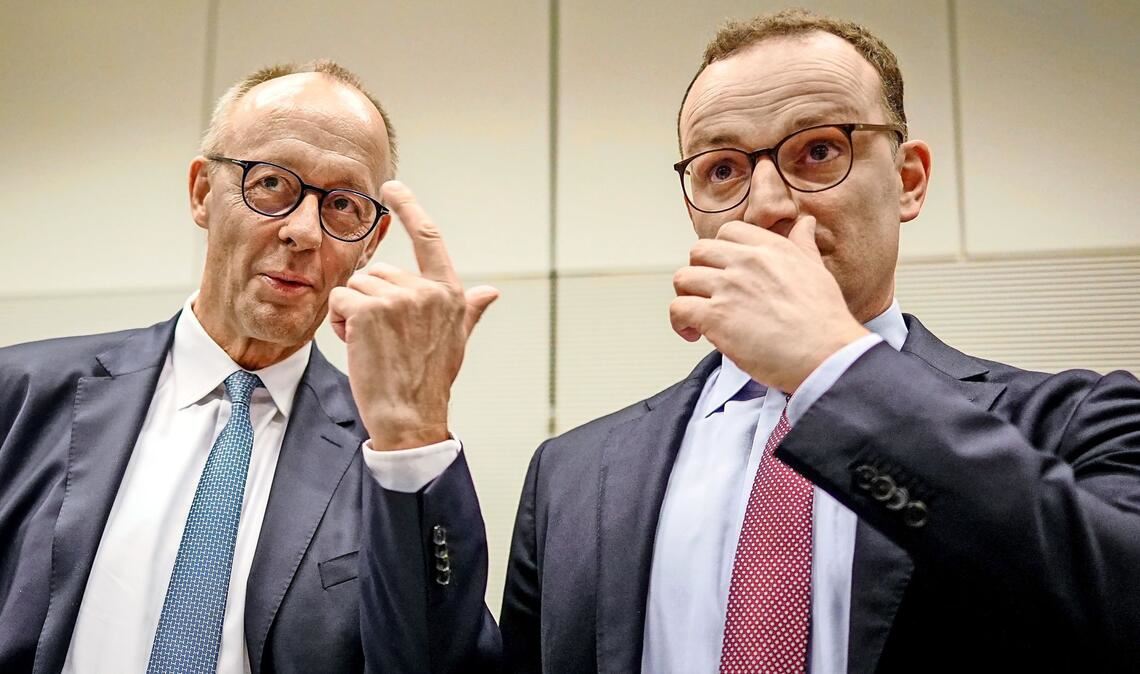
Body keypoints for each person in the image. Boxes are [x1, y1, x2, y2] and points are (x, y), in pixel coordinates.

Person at [499, 9, 1140, 673]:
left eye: (819, 150)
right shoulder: (570, 474)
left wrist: (832, 368)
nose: (767, 204)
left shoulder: (1078, 421)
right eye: (722, 170)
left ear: (909, 181)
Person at [0, 61, 499, 673]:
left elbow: (441, 661)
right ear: (203, 193)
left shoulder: (387, 455)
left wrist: (415, 439)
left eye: (342, 204)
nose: (303, 231)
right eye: (270, 184)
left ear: (370, 241)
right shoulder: (23, 395)